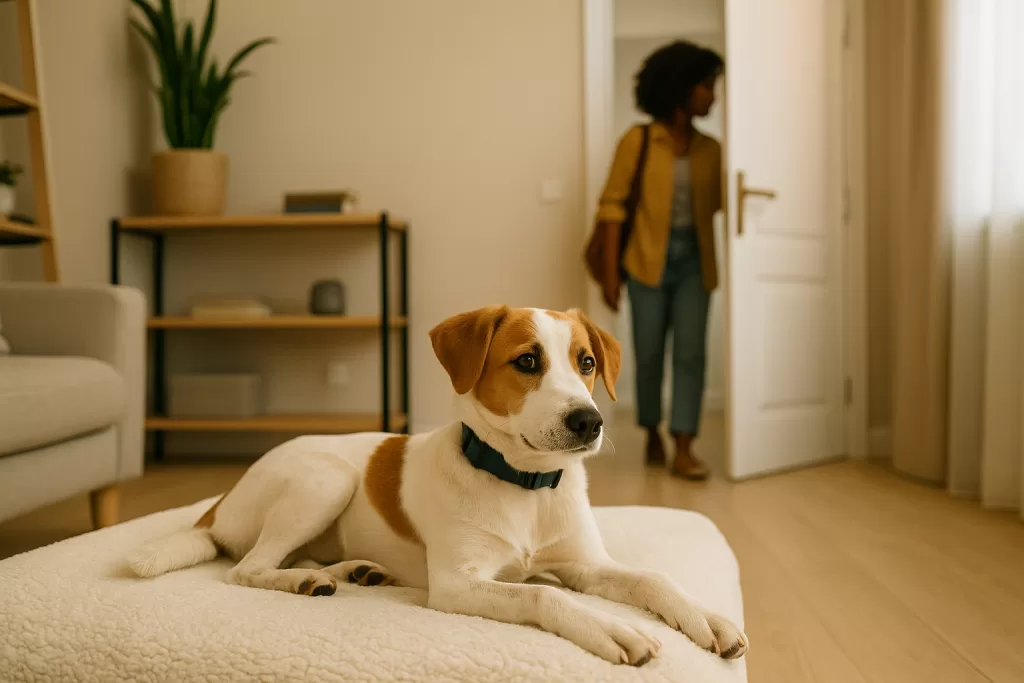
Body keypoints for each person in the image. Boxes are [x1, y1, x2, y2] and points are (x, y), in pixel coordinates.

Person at [595, 41, 723, 480]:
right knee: (648, 354)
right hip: (646, 262)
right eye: (707, 85)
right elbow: (611, 208)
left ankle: (683, 445)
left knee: (691, 355)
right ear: (681, 87)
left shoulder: (713, 150)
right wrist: (610, 276)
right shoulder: (639, 140)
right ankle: (652, 431)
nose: (713, 95)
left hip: (695, 266)